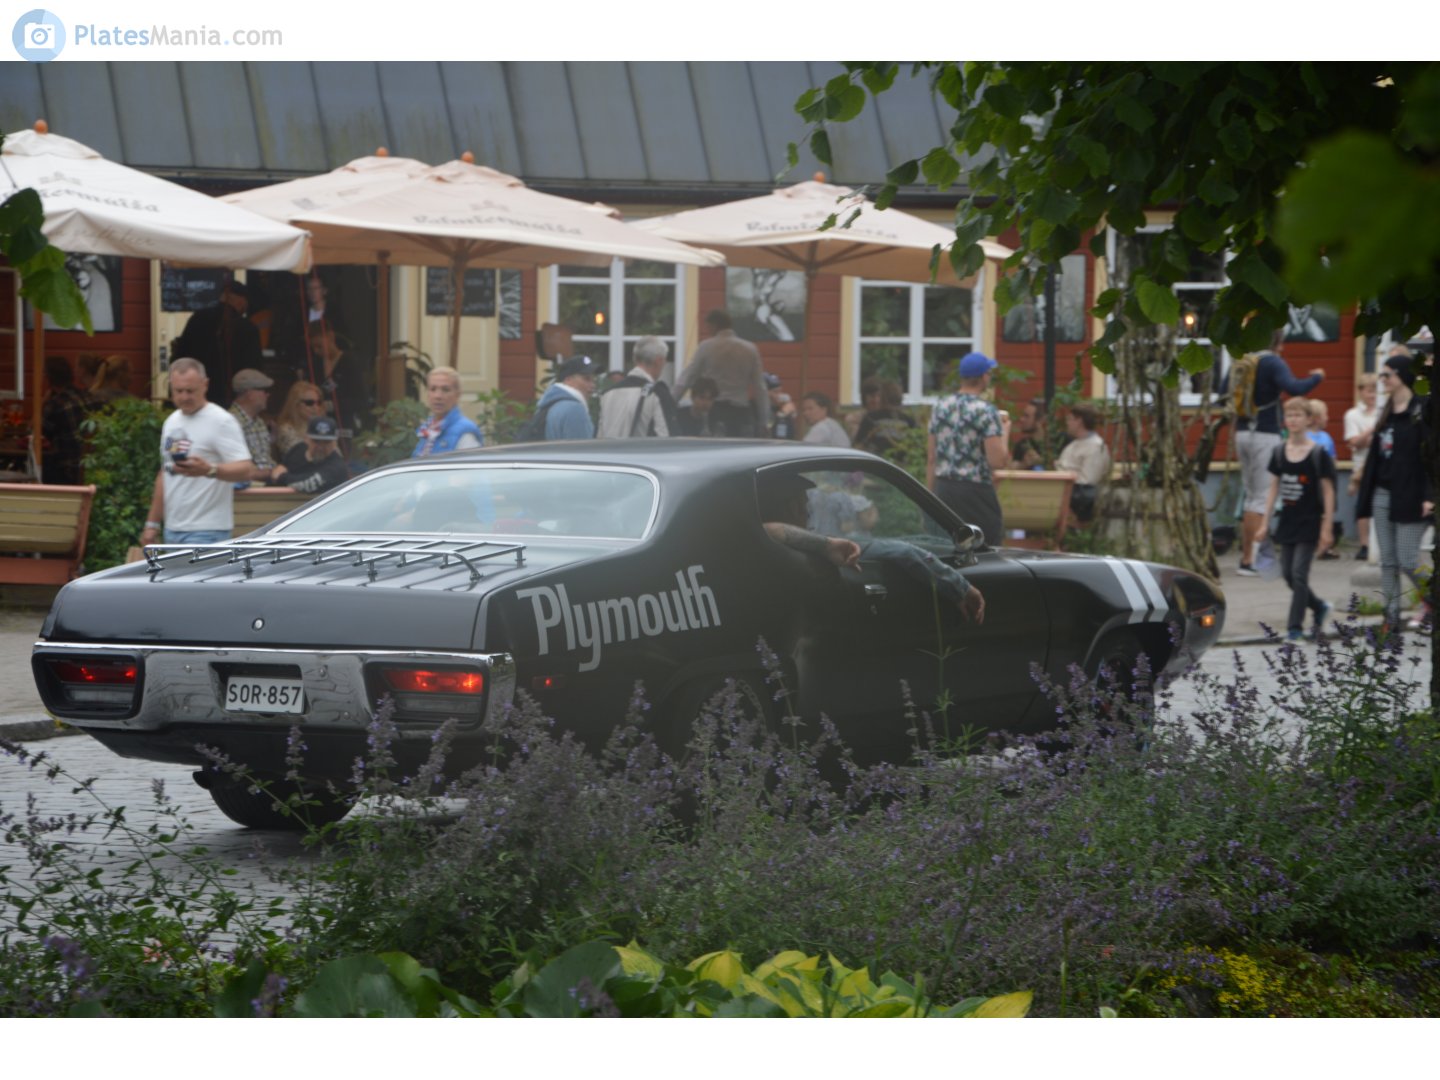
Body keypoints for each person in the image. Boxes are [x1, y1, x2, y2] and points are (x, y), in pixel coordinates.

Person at [759, 472, 984, 625]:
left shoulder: (751, 551)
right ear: (793, 507)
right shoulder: (817, 547)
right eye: (804, 505)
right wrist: (962, 588)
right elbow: (903, 552)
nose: (808, 514)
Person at [1233, 331, 1324, 576]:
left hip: (1241, 432)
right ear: (1278, 342)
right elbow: (1295, 388)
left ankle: (1246, 557)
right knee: (1261, 498)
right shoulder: (1273, 362)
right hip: (1265, 433)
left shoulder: (1243, 362)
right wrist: (1317, 376)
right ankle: (1252, 561)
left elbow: (1224, 393)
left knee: (1251, 498)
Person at [1354, 353, 1433, 634]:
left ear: (1402, 376)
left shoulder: (1421, 410)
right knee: (1388, 562)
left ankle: (1433, 599)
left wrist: (1429, 496)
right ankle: (1390, 619)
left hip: (1412, 494)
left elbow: (1431, 456)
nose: (1383, 380)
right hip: (1383, 492)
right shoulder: (1386, 411)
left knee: (1408, 559)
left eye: (1387, 374)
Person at [140, 358, 253, 546]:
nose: (184, 397)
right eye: (178, 391)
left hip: (208, 530)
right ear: (171, 386)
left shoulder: (222, 421)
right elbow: (166, 473)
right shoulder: (171, 422)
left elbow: (246, 470)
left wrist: (210, 470)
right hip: (173, 529)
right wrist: (152, 524)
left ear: (205, 385)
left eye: (190, 391)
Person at [1255, 398, 1336, 642]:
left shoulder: (1318, 453)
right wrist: (1264, 522)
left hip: (1310, 521)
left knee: (1299, 574)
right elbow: (1273, 488)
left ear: (1309, 419)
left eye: (1298, 415)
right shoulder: (1280, 452)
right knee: (1289, 575)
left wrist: (1327, 526)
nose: (1293, 420)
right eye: (1289, 415)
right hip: (1288, 522)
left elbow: (1328, 490)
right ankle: (1319, 606)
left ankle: (1295, 628)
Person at [927, 351, 1010, 547]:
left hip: (944, 488)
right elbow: (997, 461)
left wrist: (929, 499)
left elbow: (931, 458)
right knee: (985, 550)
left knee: (946, 549)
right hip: (975, 492)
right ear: (983, 377)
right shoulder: (985, 411)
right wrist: (1005, 431)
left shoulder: (940, 407)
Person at [676, 309, 769, 438]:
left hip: (715, 409)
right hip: (741, 410)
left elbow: (688, 377)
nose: (708, 331)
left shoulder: (706, 347)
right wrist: (764, 420)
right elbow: (760, 387)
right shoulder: (750, 349)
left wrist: (671, 402)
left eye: (708, 327)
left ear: (714, 325)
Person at [171, 281, 261, 409]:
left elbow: (180, 356)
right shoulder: (247, 328)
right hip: (230, 398)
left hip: (197, 393)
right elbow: (254, 368)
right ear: (241, 302)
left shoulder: (197, 319)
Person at [597, 336, 677, 438]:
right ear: (659, 361)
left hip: (609, 448)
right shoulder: (657, 394)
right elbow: (668, 438)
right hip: (643, 448)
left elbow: (599, 436)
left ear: (635, 359)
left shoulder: (607, 394)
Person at [307, 322, 366, 438]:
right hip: (320, 427)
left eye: (319, 346)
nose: (316, 351)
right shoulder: (315, 365)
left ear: (330, 337)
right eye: (313, 347)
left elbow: (361, 400)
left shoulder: (349, 362)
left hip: (344, 426)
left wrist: (332, 405)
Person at [1344, 372, 1380, 560]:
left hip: (1382, 464)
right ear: (1360, 391)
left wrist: (1365, 439)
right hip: (1362, 466)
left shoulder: (1383, 411)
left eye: (1375, 391)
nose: (1372, 395)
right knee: (1363, 504)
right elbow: (1354, 442)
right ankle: (1365, 544)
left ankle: (1380, 543)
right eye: (1369, 391)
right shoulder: (1352, 415)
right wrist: (1372, 431)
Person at [1056, 402, 1112, 524]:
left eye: (1070, 419)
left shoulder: (1096, 447)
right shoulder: (1073, 445)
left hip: (1079, 503)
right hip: (1062, 496)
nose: (1067, 423)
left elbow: (1088, 483)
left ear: (1079, 421)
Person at [413, 366, 483, 457]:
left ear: (457, 395)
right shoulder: (426, 429)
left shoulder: (465, 432)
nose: (438, 396)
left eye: (445, 390)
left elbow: (470, 465)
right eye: (433, 389)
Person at [40, 357, 88, 486]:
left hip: (67, 471)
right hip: (89, 468)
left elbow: (36, 433)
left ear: (49, 379)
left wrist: (43, 402)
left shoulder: (56, 404)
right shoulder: (85, 396)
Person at [273, 415, 350, 495]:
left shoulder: (337, 467)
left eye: (326, 442)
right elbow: (280, 468)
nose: (320, 447)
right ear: (306, 438)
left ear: (334, 443)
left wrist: (280, 477)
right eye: (316, 441)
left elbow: (305, 484)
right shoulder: (298, 449)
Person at [228, 368, 279, 486]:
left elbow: (264, 459)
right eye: (264, 391)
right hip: (249, 490)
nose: (268, 395)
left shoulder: (259, 421)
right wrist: (272, 472)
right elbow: (236, 470)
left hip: (268, 484)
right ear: (250, 393)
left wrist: (273, 442)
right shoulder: (229, 423)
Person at [533, 355, 600, 440]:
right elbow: (581, 447)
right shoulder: (574, 409)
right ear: (568, 380)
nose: (593, 385)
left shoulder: (549, 405)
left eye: (594, 380)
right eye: (586, 379)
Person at [853, 378, 917, 458]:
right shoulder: (909, 421)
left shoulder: (871, 418)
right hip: (903, 463)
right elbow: (917, 447)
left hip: (877, 462)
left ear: (883, 398)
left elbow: (857, 448)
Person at [275, 381, 325, 457]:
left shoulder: (322, 427)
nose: (316, 407)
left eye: (318, 403)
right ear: (295, 404)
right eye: (309, 403)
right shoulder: (286, 430)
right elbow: (302, 458)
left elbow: (337, 456)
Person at [1009, 397, 1048, 469]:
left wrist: (1042, 461)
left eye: (1026, 416)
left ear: (1040, 420)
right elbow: (1011, 469)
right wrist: (1024, 464)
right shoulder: (1022, 445)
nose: (1021, 419)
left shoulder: (1058, 443)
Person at [766, 372, 798, 440]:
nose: (779, 395)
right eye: (775, 392)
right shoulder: (755, 410)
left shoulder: (778, 409)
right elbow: (768, 427)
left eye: (780, 392)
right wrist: (782, 414)